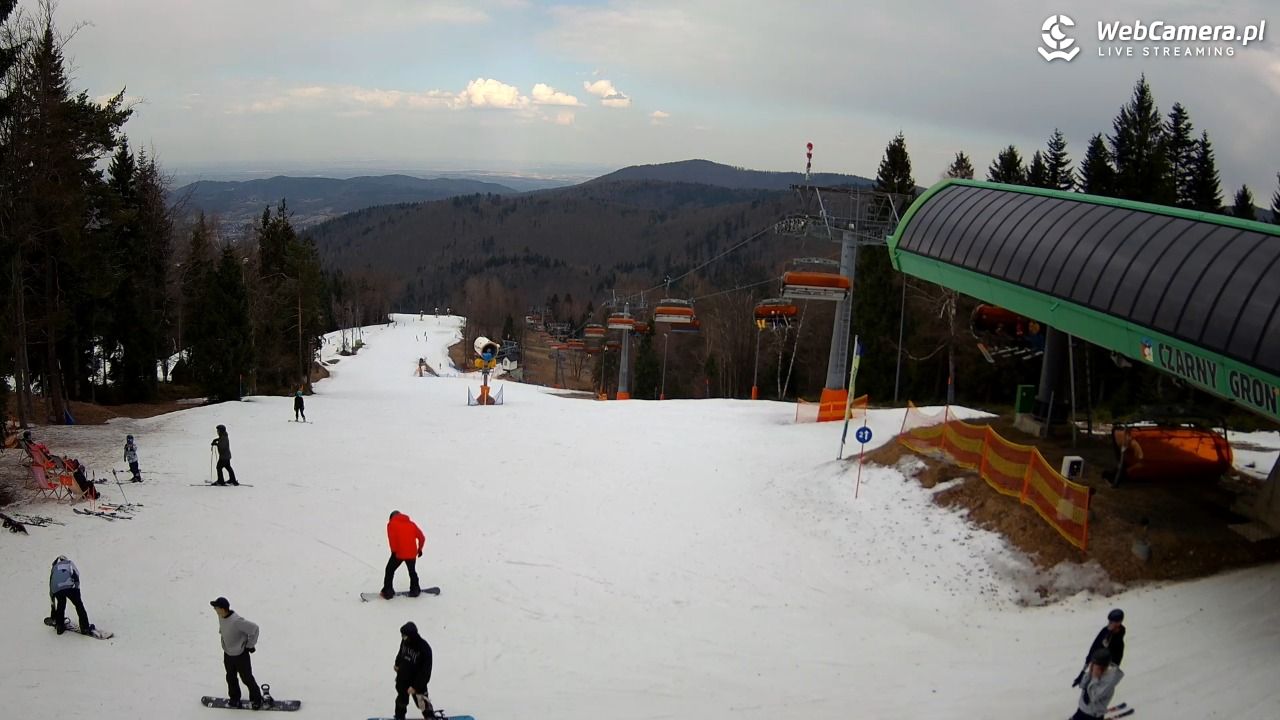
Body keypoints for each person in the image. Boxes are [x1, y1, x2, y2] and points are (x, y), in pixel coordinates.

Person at [211, 597, 265, 709]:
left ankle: (257, 699)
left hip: (241, 655)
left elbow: (254, 629)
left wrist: (250, 645)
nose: (214, 609)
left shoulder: (237, 621)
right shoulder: (220, 615)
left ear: (223, 609)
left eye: (216, 607)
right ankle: (234, 698)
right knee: (230, 677)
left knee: (246, 678)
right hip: (228, 654)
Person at [1073, 609, 1126, 686]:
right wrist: (1083, 671)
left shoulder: (1119, 642)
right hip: (1094, 666)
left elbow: (1115, 664)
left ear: (1119, 623)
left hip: (1103, 672)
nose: (1109, 624)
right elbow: (1094, 647)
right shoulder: (1105, 631)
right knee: (1086, 687)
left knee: (1095, 692)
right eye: (1109, 621)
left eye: (1112, 622)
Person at [393, 621, 434, 720]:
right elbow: (401, 652)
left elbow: (426, 672)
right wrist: (397, 663)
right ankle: (399, 717)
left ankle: (429, 717)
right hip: (403, 678)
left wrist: (416, 686)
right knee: (401, 701)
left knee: (422, 702)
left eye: (405, 636)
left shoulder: (425, 649)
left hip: (417, 681)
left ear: (412, 636)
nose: (403, 638)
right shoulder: (405, 641)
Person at [382, 511, 426, 599]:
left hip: (399, 553)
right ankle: (415, 589)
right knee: (412, 571)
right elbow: (422, 537)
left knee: (389, 570)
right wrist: (419, 549)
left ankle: (388, 591)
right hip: (412, 553)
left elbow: (392, 538)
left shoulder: (391, 524)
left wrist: (394, 551)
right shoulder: (411, 524)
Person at [1071, 648, 1124, 720]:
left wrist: (1095, 677)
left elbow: (1093, 696)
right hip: (1082, 710)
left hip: (1091, 716)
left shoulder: (1108, 682)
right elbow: (1083, 685)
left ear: (1102, 667)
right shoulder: (1094, 671)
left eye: (1094, 664)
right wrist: (1090, 673)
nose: (1092, 666)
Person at [48, 555, 94, 635]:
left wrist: (53, 611)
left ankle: (59, 626)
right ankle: (85, 628)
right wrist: (77, 592)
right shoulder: (69, 563)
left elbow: (51, 586)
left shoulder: (54, 568)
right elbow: (76, 574)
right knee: (78, 605)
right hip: (70, 586)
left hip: (56, 588)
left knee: (61, 603)